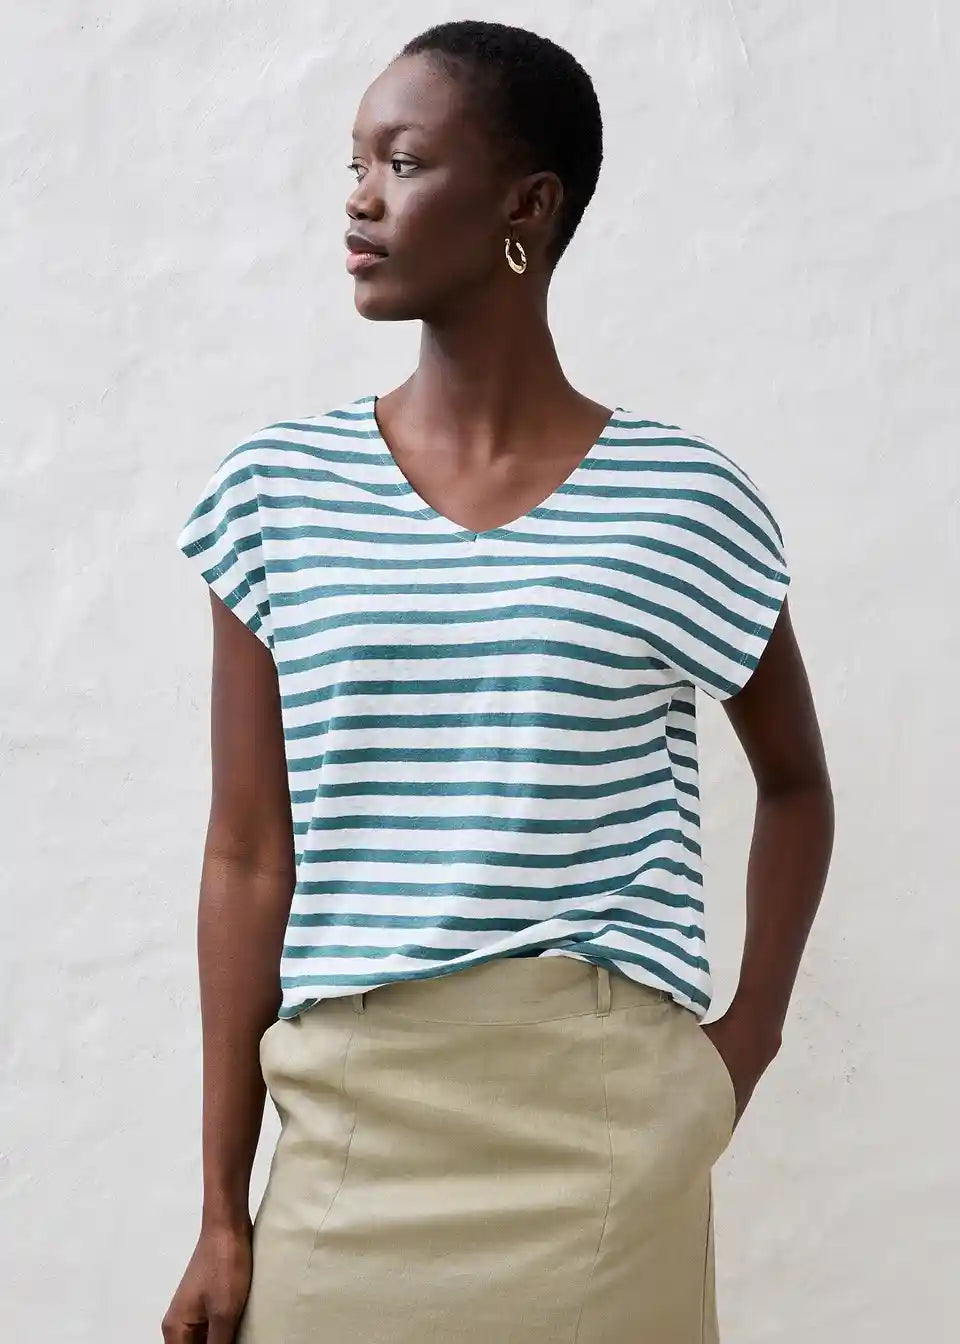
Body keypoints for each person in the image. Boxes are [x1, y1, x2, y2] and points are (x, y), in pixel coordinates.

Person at [162, 19, 834, 1344]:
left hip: (600, 1130)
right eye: (356, 163)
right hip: (353, 1129)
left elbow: (798, 786)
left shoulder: (683, 500)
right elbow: (246, 855)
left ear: (529, 206)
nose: (361, 199)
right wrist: (222, 1215)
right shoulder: (276, 494)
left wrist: (744, 1042)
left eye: (404, 163)